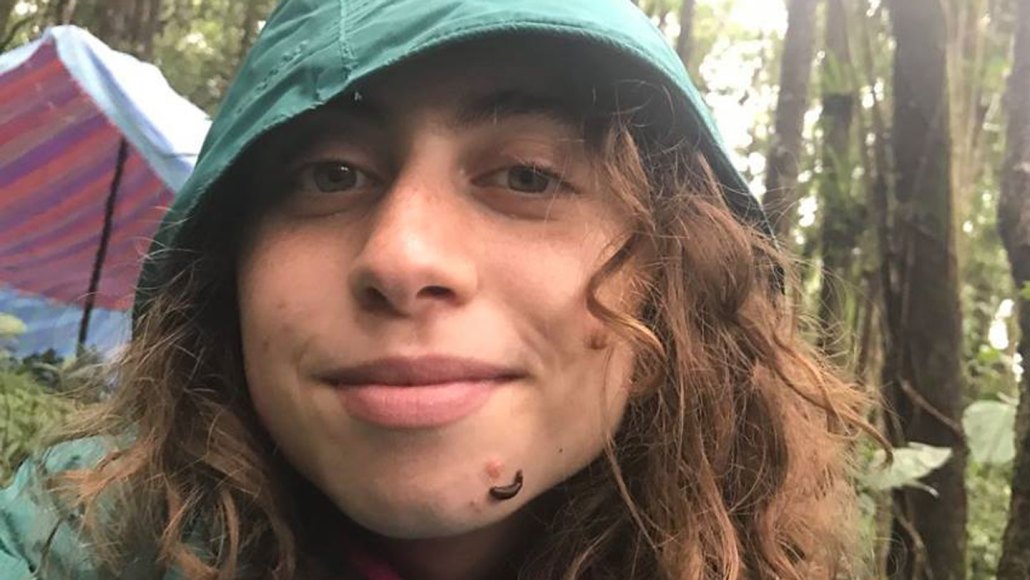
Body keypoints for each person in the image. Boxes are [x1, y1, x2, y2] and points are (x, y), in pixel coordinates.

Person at [0, 0, 875, 578]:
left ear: (672, 287)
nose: (402, 258)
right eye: (331, 173)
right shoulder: (63, 545)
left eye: (529, 177)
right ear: (226, 272)